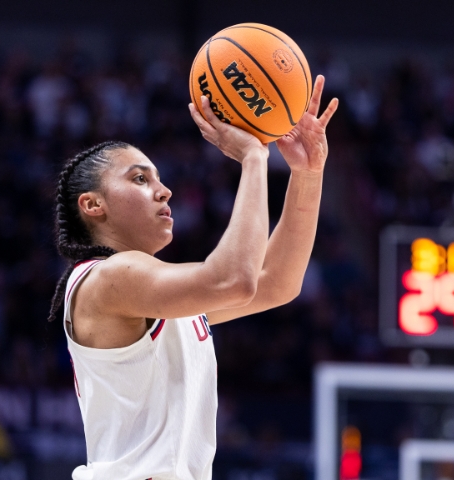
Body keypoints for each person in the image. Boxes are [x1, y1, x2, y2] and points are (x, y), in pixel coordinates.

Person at [47, 76, 338, 480]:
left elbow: (276, 283)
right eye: (139, 179)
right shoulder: (107, 278)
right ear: (93, 205)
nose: (163, 191)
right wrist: (254, 159)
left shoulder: (153, 294)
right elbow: (235, 280)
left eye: (159, 178)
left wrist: (307, 174)